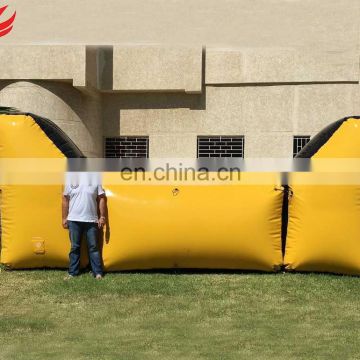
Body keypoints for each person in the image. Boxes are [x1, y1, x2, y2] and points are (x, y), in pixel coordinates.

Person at [62, 172, 106, 280]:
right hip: (73, 220)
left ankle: (97, 273)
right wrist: (64, 217)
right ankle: (72, 273)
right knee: (75, 247)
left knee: (93, 247)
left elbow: (101, 198)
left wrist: (102, 216)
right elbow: (65, 200)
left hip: (91, 220)